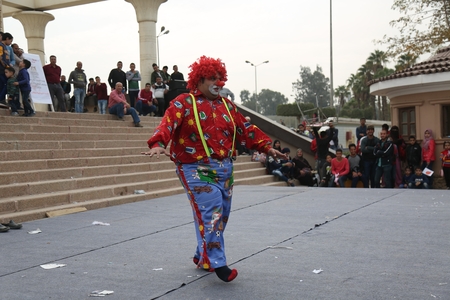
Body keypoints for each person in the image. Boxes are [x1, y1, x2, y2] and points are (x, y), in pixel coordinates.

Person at [142, 56, 286, 282]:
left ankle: (203, 255)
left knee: (222, 215)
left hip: (225, 169)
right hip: (194, 168)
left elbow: (246, 129)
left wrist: (267, 148)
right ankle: (219, 263)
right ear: (198, 80)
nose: (217, 83)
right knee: (212, 211)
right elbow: (167, 123)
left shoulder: (228, 106)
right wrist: (158, 144)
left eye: (220, 78)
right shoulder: (184, 102)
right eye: (212, 78)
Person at [0, 32, 11, 107]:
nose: (10, 43)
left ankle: (2, 100)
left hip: (4, 68)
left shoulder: (5, 47)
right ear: (7, 39)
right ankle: (1, 99)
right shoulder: (1, 46)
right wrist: (4, 65)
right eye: (10, 41)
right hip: (1, 69)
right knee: (6, 84)